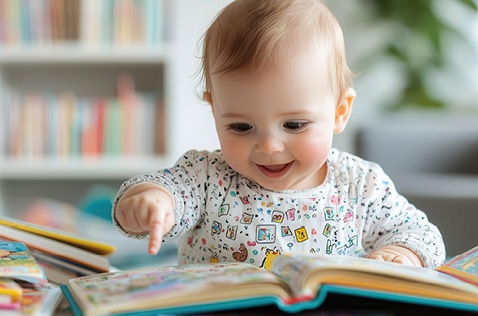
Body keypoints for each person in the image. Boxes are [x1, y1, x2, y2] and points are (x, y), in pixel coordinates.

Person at [112, 0, 445, 269]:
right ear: (215, 110)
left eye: (294, 125)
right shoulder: (207, 177)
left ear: (340, 112)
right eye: (241, 127)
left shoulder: (361, 185)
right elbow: (171, 189)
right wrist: (150, 202)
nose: (269, 147)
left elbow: (421, 234)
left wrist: (402, 253)